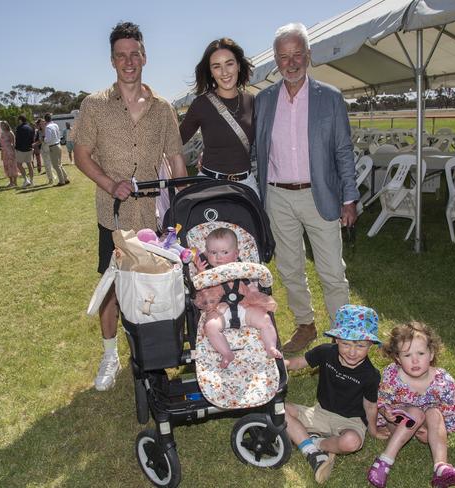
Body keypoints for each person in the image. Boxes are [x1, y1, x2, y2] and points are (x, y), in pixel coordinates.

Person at [74, 21, 187, 391]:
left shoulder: (163, 108)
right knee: (112, 288)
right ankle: (110, 355)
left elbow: (176, 158)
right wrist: (110, 184)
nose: (128, 61)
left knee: (155, 288)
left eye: (134, 54)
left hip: (154, 216)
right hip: (114, 215)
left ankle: (152, 355)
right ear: (112, 61)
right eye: (121, 56)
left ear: (144, 57)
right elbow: (81, 154)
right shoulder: (93, 105)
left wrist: (183, 205)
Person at [254, 23, 359, 354]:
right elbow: (256, 150)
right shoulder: (264, 100)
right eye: (284, 56)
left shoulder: (329, 97)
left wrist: (349, 197)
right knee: (289, 268)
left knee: (331, 271)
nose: (291, 62)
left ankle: (344, 335)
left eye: (297, 54)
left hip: (321, 195)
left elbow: (344, 151)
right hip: (278, 197)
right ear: (275, 60)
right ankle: (305, 325)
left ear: (308, 56)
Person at [284, 304, 383, 484]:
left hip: (350, 422)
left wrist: (373, 430)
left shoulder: (371, 375)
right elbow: (299, 362)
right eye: (346, 343)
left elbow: (370, 405)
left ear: (371, 345)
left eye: (360, 345)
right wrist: (283, 364)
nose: (352, 352)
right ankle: (312, 451)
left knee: (351, 442)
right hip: (320, 412)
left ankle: (315, 444)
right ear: (336, 339)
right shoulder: (325, 352)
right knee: (280, 410)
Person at [367, 322, 455, 488]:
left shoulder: (443, 381)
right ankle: (383, 462)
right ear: (398, 358)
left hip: (427, 423)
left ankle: (441, 468)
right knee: (415, 413)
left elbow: (453, 411)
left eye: (420, 353)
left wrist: (433, 433)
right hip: (397, 423)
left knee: (434, 413)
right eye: (407, 355)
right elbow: (382, 399)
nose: (415, 360)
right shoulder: (392, 375)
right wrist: (386, 412)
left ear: (431, 353)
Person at [179, 38, 259, 196]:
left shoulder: (252, 101)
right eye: (217, 66)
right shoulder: (201, 104)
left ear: (238, 65)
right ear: (210, 72)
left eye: (229, 63)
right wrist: (180, 179)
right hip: (210, 186)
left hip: (246, 186)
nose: (224, 72)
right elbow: (173, 144)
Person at [193, 228, 282, 368]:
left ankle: (271, 347)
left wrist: (254, 293)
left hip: (244, 307)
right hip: (220, 310)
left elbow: (252, 288)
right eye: (213, 252)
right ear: (207, 253)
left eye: (225, 252)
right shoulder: (208, 272)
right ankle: (227, 353)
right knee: (210, 327)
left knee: (265, 320)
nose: (218, 257)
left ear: (236, 254)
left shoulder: (242, 269)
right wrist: (200, 273)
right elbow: (202, 292)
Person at [43, 113, 69, 186]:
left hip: (53, 146)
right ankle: (65, 178)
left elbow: (48, 139)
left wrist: (44, 139)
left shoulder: (48, 127)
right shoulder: (55, 125)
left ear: (45, 120)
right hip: (58, 144)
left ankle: (61, 181)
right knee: (59, 164)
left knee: (55, 165)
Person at [15, 115, 35, 188]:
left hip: (21, 149)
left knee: (19, 164)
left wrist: (16, 148)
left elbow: (17, 139)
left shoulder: (19, 128)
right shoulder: (31, 128)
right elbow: (32, 139)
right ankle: (32, 181)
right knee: (29, 164)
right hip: (29, 148)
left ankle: (26, 180)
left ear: (20, 120)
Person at [0, 121, 19, 187]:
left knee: (12, 166)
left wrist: (14, 153)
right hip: (4, 152)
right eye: (1, 125)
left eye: (4, 125)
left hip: (10, 151)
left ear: (7, 125)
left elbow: (14, 143)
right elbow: (2, 145)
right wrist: (2, 153)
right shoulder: (2, 133)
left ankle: (15, 182)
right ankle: (11, 182)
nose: (2, 126)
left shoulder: (10, 133)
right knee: (6, 166)